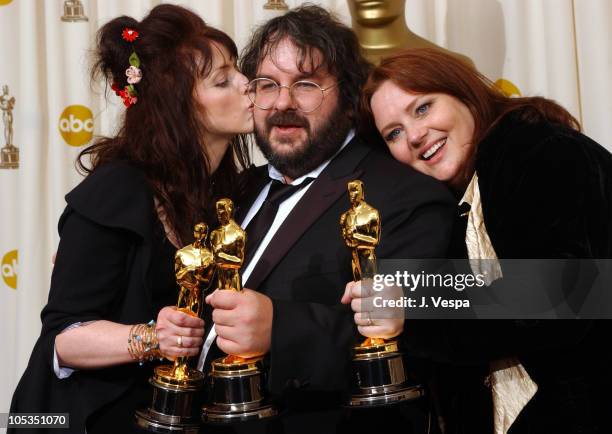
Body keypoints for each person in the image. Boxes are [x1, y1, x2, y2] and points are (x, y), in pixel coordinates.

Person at [200, 6, 456, 433]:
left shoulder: (406, 195)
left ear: (347, 95)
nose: (282, 103)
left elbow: (413, 339)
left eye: (305, 85)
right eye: (266, 86)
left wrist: (279, 329)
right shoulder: (233, 192)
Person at [9, 4, 252, 433]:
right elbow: (63, 339)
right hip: (78, 418)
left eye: (239, 72)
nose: (248, 86)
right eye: (223, 80)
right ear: (179, 107)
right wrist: (152, 338)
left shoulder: (225, 196)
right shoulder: (116, 190)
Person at [360, 48, 612, 434]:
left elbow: (557, 293)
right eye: (393, 132)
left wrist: (413, 304)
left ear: (463, 93)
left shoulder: (542, 152)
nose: (413, 136)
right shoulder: (459, 197)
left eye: (423, 108)